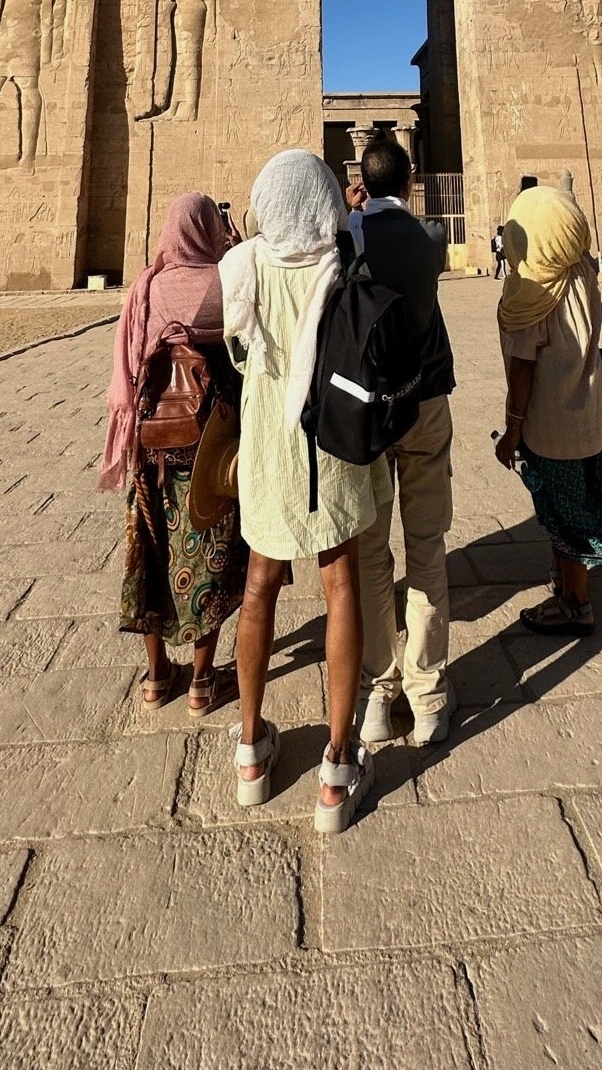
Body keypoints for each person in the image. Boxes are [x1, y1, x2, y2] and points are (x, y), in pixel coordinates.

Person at [220, 150, 382, 833]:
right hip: (331, 440)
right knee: (340, 582)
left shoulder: (242, 266)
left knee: (259, 586)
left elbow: (235, 349)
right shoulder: (344, 258)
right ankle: (337, 768)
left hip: (267, 446)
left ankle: (252, 751)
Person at [98, 193, 247, 715]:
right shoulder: (223, 284)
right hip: (211, 446)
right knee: (212, 557)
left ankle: (157, 676)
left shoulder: (146, 287)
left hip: (151, 446)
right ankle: (204, 682)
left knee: (152, 554)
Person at [345, 138, 456, 748]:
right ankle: (429, 693)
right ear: (411, 182)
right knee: (427, 546)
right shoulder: (431, 238)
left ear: (363, 177)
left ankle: (379, 692)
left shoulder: (353, 232)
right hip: (425, 398)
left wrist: (348, 208)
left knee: (371, 552)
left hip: (369, 407)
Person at [494, 185, 602, 634]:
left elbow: (523, 369)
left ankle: (576, 604)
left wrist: (512, 429)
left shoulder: (530, 292)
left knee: (563, 514)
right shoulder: (583, 268)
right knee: (583, 501)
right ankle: (570, 577)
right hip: (590, 415)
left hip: (550, 425)